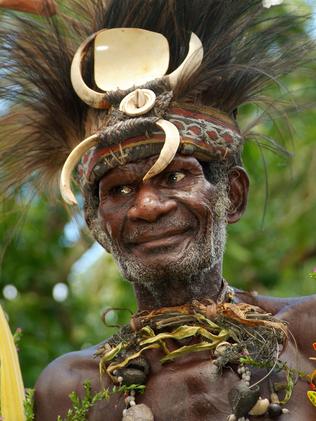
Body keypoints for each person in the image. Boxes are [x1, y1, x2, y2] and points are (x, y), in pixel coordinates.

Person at [0, 1, 315, 420]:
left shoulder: (307, 335)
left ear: (233, 195)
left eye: (174, 177)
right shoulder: (72, 388)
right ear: (98, 226)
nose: (147, 207)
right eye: (121, 189)